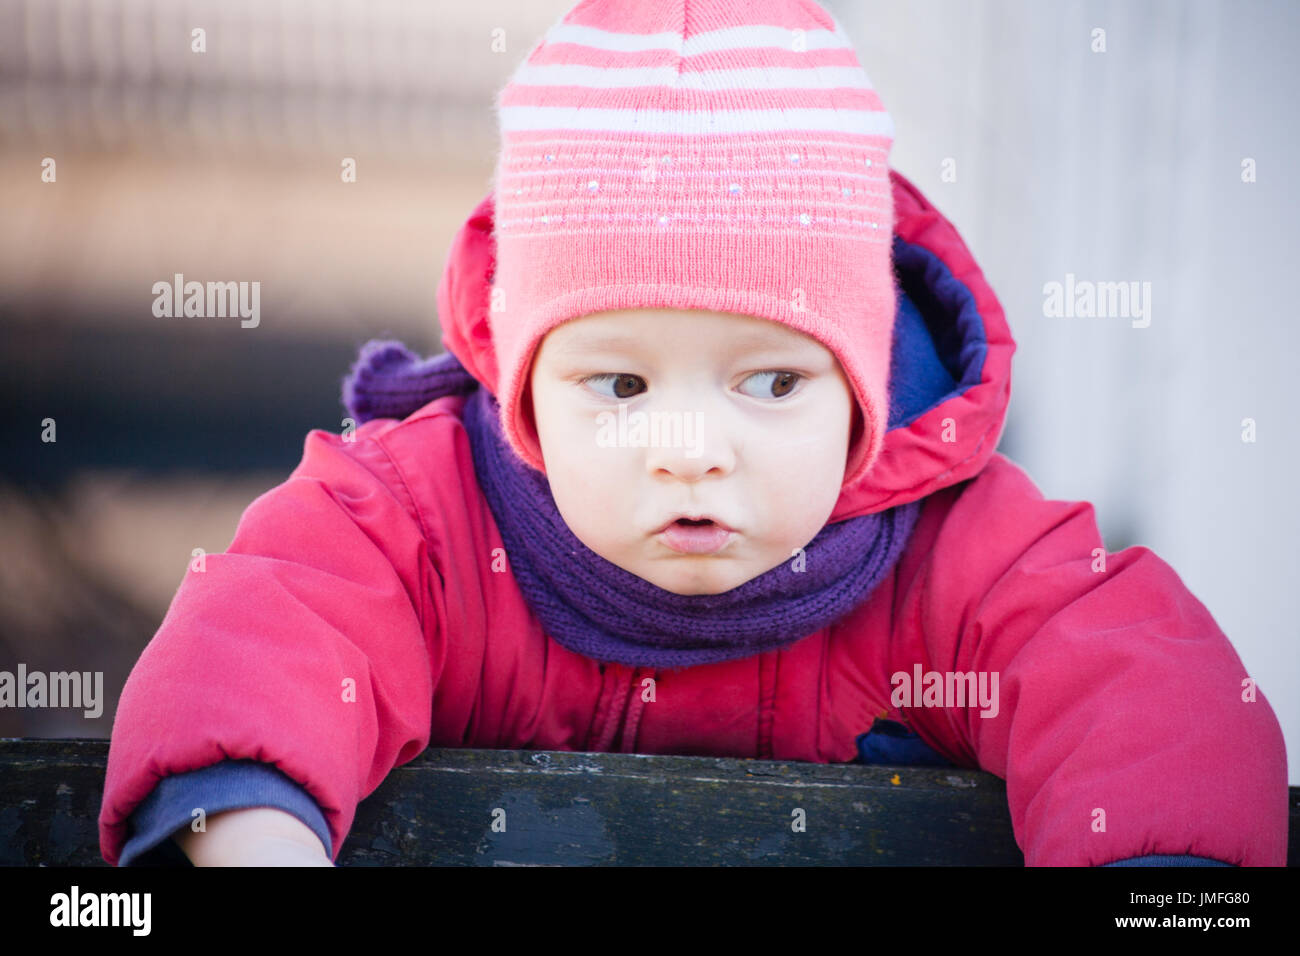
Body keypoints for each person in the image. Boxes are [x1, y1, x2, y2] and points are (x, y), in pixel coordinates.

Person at [98, 0, 1287, 867]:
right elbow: (283, 611)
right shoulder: (435, 518)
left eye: (770, 382)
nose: (690, 445)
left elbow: (1129, 669)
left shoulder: (943, 557)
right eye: (617, 385)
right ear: (522, 382)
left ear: (863, 380)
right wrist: (249, 825)